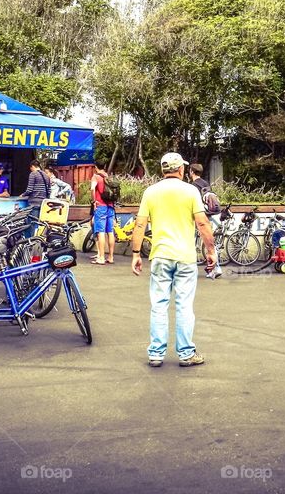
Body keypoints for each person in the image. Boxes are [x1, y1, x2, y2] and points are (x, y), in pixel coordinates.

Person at [130, 152, 215, 368]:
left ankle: (156, 354)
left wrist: (136, 254)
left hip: (159, 256)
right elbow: (203, 224)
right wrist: (211, 251)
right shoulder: (190, 191)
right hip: (185, 257)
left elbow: (140, 225)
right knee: (184, 305)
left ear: (162, 170)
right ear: (181, 170)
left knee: (158, 305)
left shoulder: (150, 192)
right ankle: (186, 354)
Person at [90, 162, 115, 265]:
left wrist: (94, 201)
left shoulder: (96, 176)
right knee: (110, 231)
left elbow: (92, 188)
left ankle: (101, 257)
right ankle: (111, 257)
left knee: (101, 232)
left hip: (101, 206)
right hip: (110, 206)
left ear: (96, 167)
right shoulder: (107, 176)